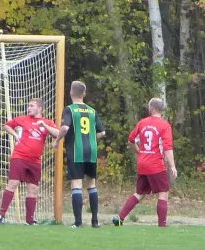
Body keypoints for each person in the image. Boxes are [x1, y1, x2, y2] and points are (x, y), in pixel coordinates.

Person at [113, 98, 177, 227]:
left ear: (152, 108)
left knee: (140, 193)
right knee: (163, 192)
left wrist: (139, 152)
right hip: (156, 165)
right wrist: (172, 166)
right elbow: (167, 147)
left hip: (142, 164)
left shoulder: (143, 123)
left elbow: (131, 140)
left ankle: (120, 218)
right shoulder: (164, 125)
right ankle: (162, 225)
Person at [52, 81, 106, 229]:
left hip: (76, 150)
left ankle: (78, 222)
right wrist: (91, 138)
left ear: (71, 93)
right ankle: (95, 221)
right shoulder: (92, 110)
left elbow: (64, 127)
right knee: (91, 184)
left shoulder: (69, 109)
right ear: (84, 94)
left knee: (76, 184)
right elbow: (102, 132)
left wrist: (57, 141)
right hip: (92, 151)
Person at [0, 99, 59, 225]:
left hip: (35, 161)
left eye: (32, 106)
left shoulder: (47, 122)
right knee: (13, 183)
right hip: (19, 157)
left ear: (40, 108)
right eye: (28, 106)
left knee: (33, 189)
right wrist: (14, 135)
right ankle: (1, 216)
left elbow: (58, 133)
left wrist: (45, 126)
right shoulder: (23, 119)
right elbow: (7, 125)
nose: (28, 108)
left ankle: (29, 220)